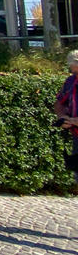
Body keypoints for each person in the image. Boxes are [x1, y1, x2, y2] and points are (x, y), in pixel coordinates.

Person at [55, 50, 78, 180]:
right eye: (74, 72)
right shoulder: (70, 82)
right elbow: (59, 103)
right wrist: (62, 116)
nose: (76, 76)